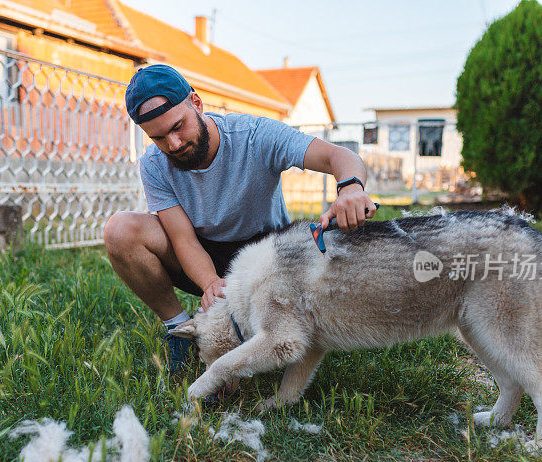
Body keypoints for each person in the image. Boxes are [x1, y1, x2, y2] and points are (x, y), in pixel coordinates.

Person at [104, 64, 376, 374]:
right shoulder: (154, 164)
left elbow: (338, 156)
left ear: (196, 103)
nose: (174, 144)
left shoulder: (254, 136)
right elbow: (183, 239)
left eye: (178, 126)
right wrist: (210, 284)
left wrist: (350, 187)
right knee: (120, 229)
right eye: (159, 138)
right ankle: (180, 330)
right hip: (202, 254)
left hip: (266, 257)